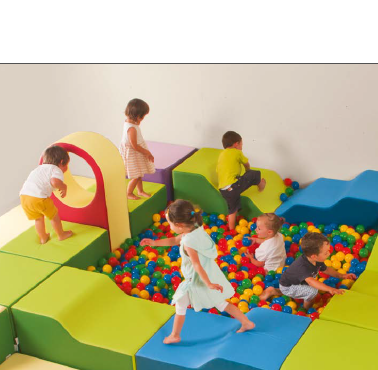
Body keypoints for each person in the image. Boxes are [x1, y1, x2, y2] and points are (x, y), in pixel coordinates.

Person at [140, 199, 256, 343]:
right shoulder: (195, 227)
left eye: (170, 224)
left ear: (179, 225)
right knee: (221, 303)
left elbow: (196, 264)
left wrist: (208, 284)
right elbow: (175, 240)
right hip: (209, 274)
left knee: (181, 303)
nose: (169, 227)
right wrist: (154, 243)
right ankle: (246, 322)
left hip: (197, 279)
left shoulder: (188, 242)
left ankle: (175, 335)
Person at [261, 231, 350, 308]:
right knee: (312, 291)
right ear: (314, 256)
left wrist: (342, 275)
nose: (329, 253)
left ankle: (273, 291)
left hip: (297, 282)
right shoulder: (303, 267)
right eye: (326, 253)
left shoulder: (315, 259)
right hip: (288, 286)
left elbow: (326, 269)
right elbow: (311, 282)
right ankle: (306, 309)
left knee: (311, 287)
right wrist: (330, 289)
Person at [19, 145, 74, 244]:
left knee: (38, 218)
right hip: (39, 198)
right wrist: (63, 187)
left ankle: (43, 237)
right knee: (54, 216)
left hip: (24, 197)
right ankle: (61, 235)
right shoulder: (56, 169)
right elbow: (54, 182)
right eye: (66, 165)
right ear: (61, 162)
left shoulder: (38, 169)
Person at [216, 130, 266, 230]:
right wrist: (247, 171)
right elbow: (246, 163)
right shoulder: (237, 152)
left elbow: (219, 170)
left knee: (232, 210)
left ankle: (231, 230)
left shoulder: (222, 154)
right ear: (236, 144)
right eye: (241, 144)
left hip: (223, 190)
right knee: (253, 173)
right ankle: (261, 185)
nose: (242, 146)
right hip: (233, 186)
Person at [120, 98, 155, 200]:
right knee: (136, 175)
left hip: (136, 151)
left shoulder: (130, 123)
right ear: (137, 116)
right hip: (133, 152)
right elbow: (134, 146)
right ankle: (129, 193)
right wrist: (147, 152)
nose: (143, 119)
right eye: (142, 117)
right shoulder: (131, 128)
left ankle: (140, 191)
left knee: (140, 173)